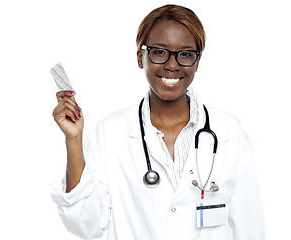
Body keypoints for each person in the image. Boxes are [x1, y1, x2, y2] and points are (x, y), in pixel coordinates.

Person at [50, 4, 266, 240]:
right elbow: (86, 225)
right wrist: (73, 140)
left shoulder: (227, 132)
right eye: (159, 51)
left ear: (197, 62)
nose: (172, 65)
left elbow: (249, 225)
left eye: (185, 54)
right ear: (140, 58)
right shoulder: (109, 133)